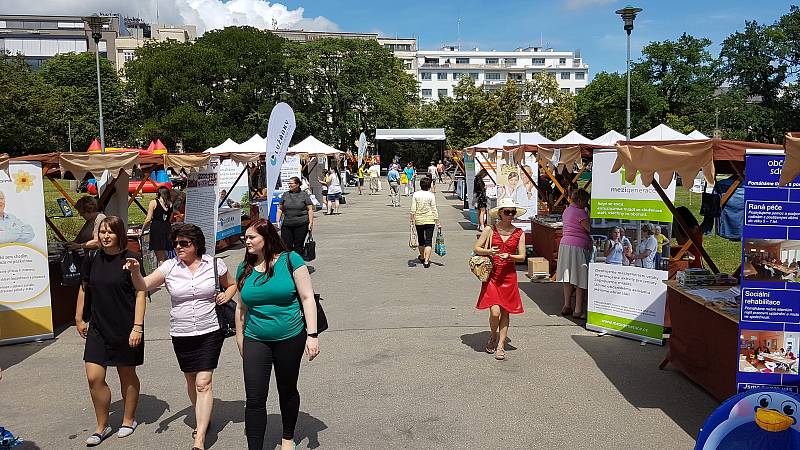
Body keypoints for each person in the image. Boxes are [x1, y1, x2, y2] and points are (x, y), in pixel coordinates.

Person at [126, 224, 237, 450]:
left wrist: (227, 294)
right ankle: (202, 416)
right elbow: (144, 285)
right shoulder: (169, 267)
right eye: (175, 243)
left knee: (203, 382)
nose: (178, 247)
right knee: (190, 379)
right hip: (182, 332)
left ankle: (200, 438)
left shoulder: (215, 264)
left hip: (210, 329)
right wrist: (136, 270)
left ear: (196, 245)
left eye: (184, 243)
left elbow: (232, 284)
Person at [235, 219, 320, 450]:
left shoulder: (291, 260)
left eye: (252, 237)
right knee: (254, 398)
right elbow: (241, 307)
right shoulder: (244, 268)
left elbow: (307, 298)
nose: (247, 240)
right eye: (246, 236)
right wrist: (240, 338)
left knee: (287, 389)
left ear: (267, 238)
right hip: (255, 338)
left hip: (290, 337)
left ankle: (287, 437)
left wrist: (312, 335)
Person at [74, 216, 146, 446]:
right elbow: (84, 287)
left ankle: (128, 419)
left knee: (126, 374)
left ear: (119, 235)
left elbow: (141, 292)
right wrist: (78, 317)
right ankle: (101, 426)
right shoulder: (93, 258)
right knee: (94, 377)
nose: (105, 236)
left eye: (110, 232)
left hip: (125, 327)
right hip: (98, 327)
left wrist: (138, 327)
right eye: (102, 232)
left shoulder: (131, 259)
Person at [473, 198, 526, 360]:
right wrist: (490, 252)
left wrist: (510, 255)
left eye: (512, 212)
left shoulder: (519, 233)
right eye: (507, 212)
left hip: (509, 277)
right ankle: (493, 335)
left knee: (505, 312)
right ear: (500, 213)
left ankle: (501, 344)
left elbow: (522, 256)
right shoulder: (490, 229)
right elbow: (476, 247)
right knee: (495, 312)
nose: (510, 215)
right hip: (492, 276)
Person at [556, 189, 592, 320]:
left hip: (565, 244)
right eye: (586, 201)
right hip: (578, 246)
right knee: (580, 278)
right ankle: (577, 310)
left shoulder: (567, 210)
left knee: (568, 276)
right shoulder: (581, 213)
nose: (587, 203)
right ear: (582, 200)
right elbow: (590, 229)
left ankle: (567, 305)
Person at [276, 177, 314, 255]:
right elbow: (280, 209)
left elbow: (310, 210)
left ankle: (297, 264)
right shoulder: (285, 194)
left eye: (291, 183)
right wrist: (277, 221)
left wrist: (311, 223)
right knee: (286, 246)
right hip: (287, 224)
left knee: (298, 246)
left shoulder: (304, 195)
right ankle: (288, 263)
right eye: (289, 183)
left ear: (297, 184)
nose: (289, 185)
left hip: (301, 224)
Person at [410, 178, 442, 268]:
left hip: (419, 220)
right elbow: (434, 209)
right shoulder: (431, 195)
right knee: (428, 241)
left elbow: (413, 209)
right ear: (429, 185)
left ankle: (422, 257)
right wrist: (438, 222)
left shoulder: (415, 194)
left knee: (421, 240)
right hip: (430, 220)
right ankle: (427, 262)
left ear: (420, 185)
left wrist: (412, 220)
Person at [142, 186, 173, 266]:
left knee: (160, 257)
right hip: (167, 228)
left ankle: (162, 274)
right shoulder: (170, 204)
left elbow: (148, 219)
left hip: (156, 229)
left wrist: (143, 229)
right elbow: (170, 219)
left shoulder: (154, 202)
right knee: (165, 254)